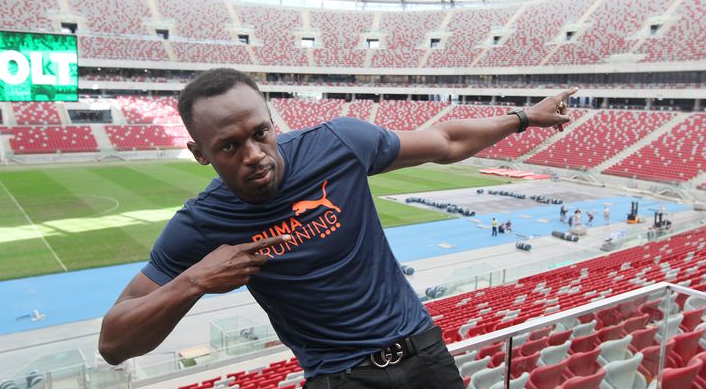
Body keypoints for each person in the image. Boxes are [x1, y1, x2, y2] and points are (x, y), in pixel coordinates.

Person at [97, 68, 575, 389]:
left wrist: (524, 117)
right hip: (340, 379)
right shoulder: (202, 224)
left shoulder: (340, 145)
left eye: (260, 133)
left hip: (425, 352)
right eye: (228, 147)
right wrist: (196, 280)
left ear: (272, 122)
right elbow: (114, 343)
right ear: (200, 153)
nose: (255, 155)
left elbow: (446, 141)